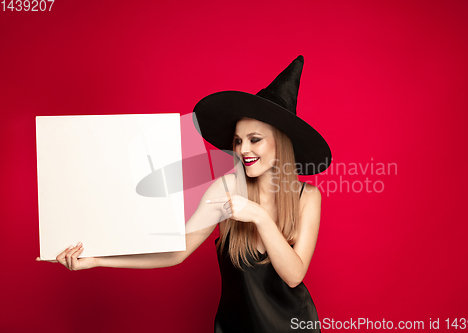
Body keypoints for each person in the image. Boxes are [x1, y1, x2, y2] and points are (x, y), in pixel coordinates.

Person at [43, 56, 332, 332]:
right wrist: (98, 259)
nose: (243, 150)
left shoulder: (307, 197)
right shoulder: (226, 189)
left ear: (279, 143)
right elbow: (176, 252)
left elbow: (294, 275)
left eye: (254, 139)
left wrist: (258, 216)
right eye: (238, 140)